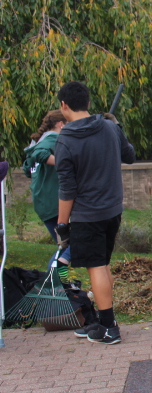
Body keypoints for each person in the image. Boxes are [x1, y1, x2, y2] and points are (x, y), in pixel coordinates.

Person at [54, 81, 135, 345]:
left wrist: (62, 224)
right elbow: (130, 156)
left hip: (87, 215)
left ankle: (110, 329)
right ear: (87, 101)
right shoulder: (109, 127)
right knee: (101, 264)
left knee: (96, 266)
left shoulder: (65, 139)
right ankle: (103, 320)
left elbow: (67, 189)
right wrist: (117, 128)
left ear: (64, 105)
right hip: (113, 210)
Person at [22, 110, 72, 280]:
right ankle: (52, 282)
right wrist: (64, 163)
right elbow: (39, 154)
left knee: (66, 248)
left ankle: (60, 284)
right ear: (61, 124)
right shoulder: (53, 138)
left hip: (44, 204)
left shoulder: (37, 141)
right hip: (54, 204)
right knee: (70, 246)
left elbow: (27, 169)